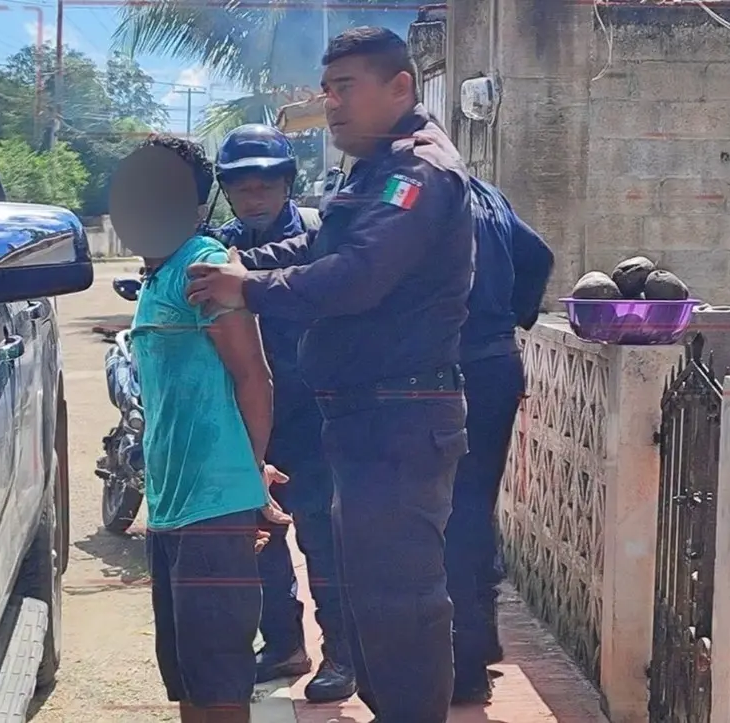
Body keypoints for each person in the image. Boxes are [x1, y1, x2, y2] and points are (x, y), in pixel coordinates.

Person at [185, 27, 475, 723]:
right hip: (368, 415)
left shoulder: (417, 172)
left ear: (399, 86)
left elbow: (358, 275)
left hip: (399, 417)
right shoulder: (375, 170)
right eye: (328, 89)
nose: (332, 105)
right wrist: (246, 264)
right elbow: (323, 239)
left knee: (401, 602)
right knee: (372, 594)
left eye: (347, 88)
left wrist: (248, 290)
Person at [130, 134, 290, 723]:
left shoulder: (203, 265)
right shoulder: (158, 274)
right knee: (190, 680)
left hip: (213, 505)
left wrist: (251, 474)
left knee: (220, 682)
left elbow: (254, 375)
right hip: (170, 507)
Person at [212, 124, 357, 703]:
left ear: (288, 183)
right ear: (226, 188)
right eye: (241, 183)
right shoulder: (215, 243)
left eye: (267, 180)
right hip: (251, 420)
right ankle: (283, 645)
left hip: (313, 415)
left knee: (324, 537)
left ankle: (342, 652)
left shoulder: (321, 235)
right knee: (260, 538)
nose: (255, 194)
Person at [444, 176, 554, 702]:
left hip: (443, 369)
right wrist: (516, 315)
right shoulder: (486, 193)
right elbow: (538, 255)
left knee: (442, 516)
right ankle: (479, 646)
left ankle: (462, 667)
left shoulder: (409, 190)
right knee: (473, 508)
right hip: (496, 364)